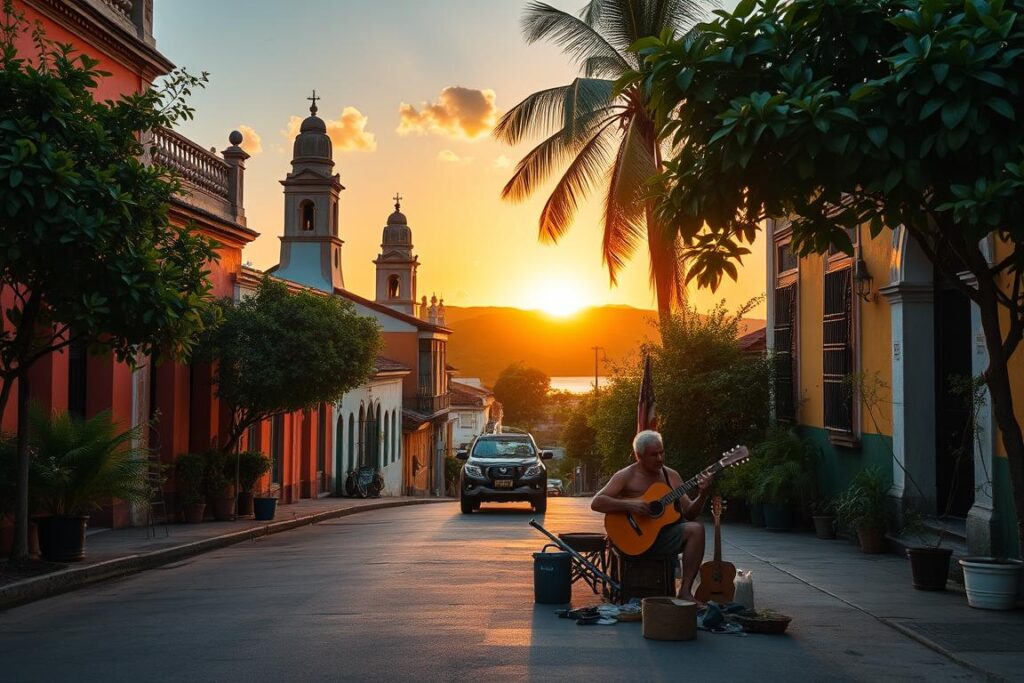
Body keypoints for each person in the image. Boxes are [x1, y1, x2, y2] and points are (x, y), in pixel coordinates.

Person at [590, 430, 711, 603]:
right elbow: (597, 502)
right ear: (639, 456)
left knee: (696, 530)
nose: (660, 459)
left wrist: (703, 494)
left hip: (662, 537)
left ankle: (685, 591)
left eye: (662, 452)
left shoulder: (671, 476)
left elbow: (690, 513)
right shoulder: (626, 475)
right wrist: (630, 504)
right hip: (633, 540)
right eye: (654, 455)